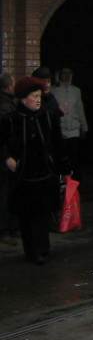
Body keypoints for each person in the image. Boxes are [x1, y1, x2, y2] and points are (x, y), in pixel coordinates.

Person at [0, 77, 69, 264]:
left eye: (39, 96)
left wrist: (63, 166)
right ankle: (32, 250)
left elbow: (57, 142)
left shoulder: (47, 116)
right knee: (27, 215)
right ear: (23, 98)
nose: (37, 99)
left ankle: (43, 248)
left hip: (44, 172)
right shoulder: (12, 120)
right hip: (24, 174)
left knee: (43, 212)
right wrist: (8, 158)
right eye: (33, 96)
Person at [52, 68, 88, 180]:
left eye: (69, 73)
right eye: (64, 74)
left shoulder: (76, 91)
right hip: (61, 129)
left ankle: (74, 183)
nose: (67, 76)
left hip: (74, 129)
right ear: (60, 75)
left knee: (74, 158)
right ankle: (62, 181)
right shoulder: (54, 91)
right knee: (62, 157)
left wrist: (84, 126)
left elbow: (80, 109)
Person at [0, 73, 18, 245]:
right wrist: (7, 157)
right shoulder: (6, 106)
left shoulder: (8, 103)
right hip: (6, 158)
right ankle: (6, 229)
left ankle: (9, 228)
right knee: (6, 193)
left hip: (7, 156)